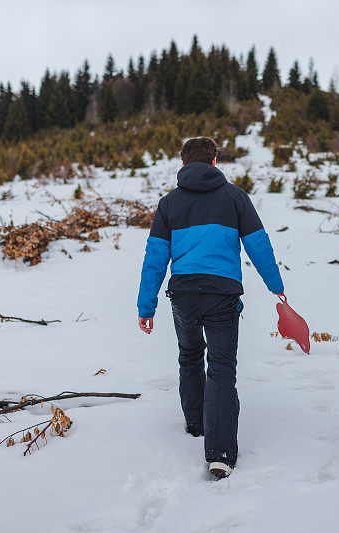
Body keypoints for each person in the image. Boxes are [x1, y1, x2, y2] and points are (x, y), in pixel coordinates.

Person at [137, 137, 284, 479]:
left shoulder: (169, 203)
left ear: (184, 163)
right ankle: (219, 453)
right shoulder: (234, 197)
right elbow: (258, 244)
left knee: (189, 355)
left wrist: (147, 305)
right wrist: (276, 286)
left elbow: (155, 258)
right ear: (214, 161)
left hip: (184, 295)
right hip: (222, 294)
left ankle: (195, 423)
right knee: (220, 366)